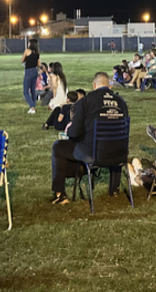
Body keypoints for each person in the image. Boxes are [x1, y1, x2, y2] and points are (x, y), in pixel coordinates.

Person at [50, 72, 128, 205]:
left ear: (94, 85)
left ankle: (60, 193)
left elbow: (73, 133)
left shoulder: (86, 101)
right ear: (109, 85)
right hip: (119, 154)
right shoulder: (121, 102)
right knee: (113, 140)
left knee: (59, 146)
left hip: (93, 154)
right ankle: (114, 188)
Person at [21, 38, 40, 113]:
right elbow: (38, 64)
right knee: (33, 90)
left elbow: (22, 60)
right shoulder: (37, 53)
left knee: (26, 91)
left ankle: (32, 107)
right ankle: (33, 106)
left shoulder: (27, 51)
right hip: (35, 71)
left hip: (28, 71)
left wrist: (27, 61)